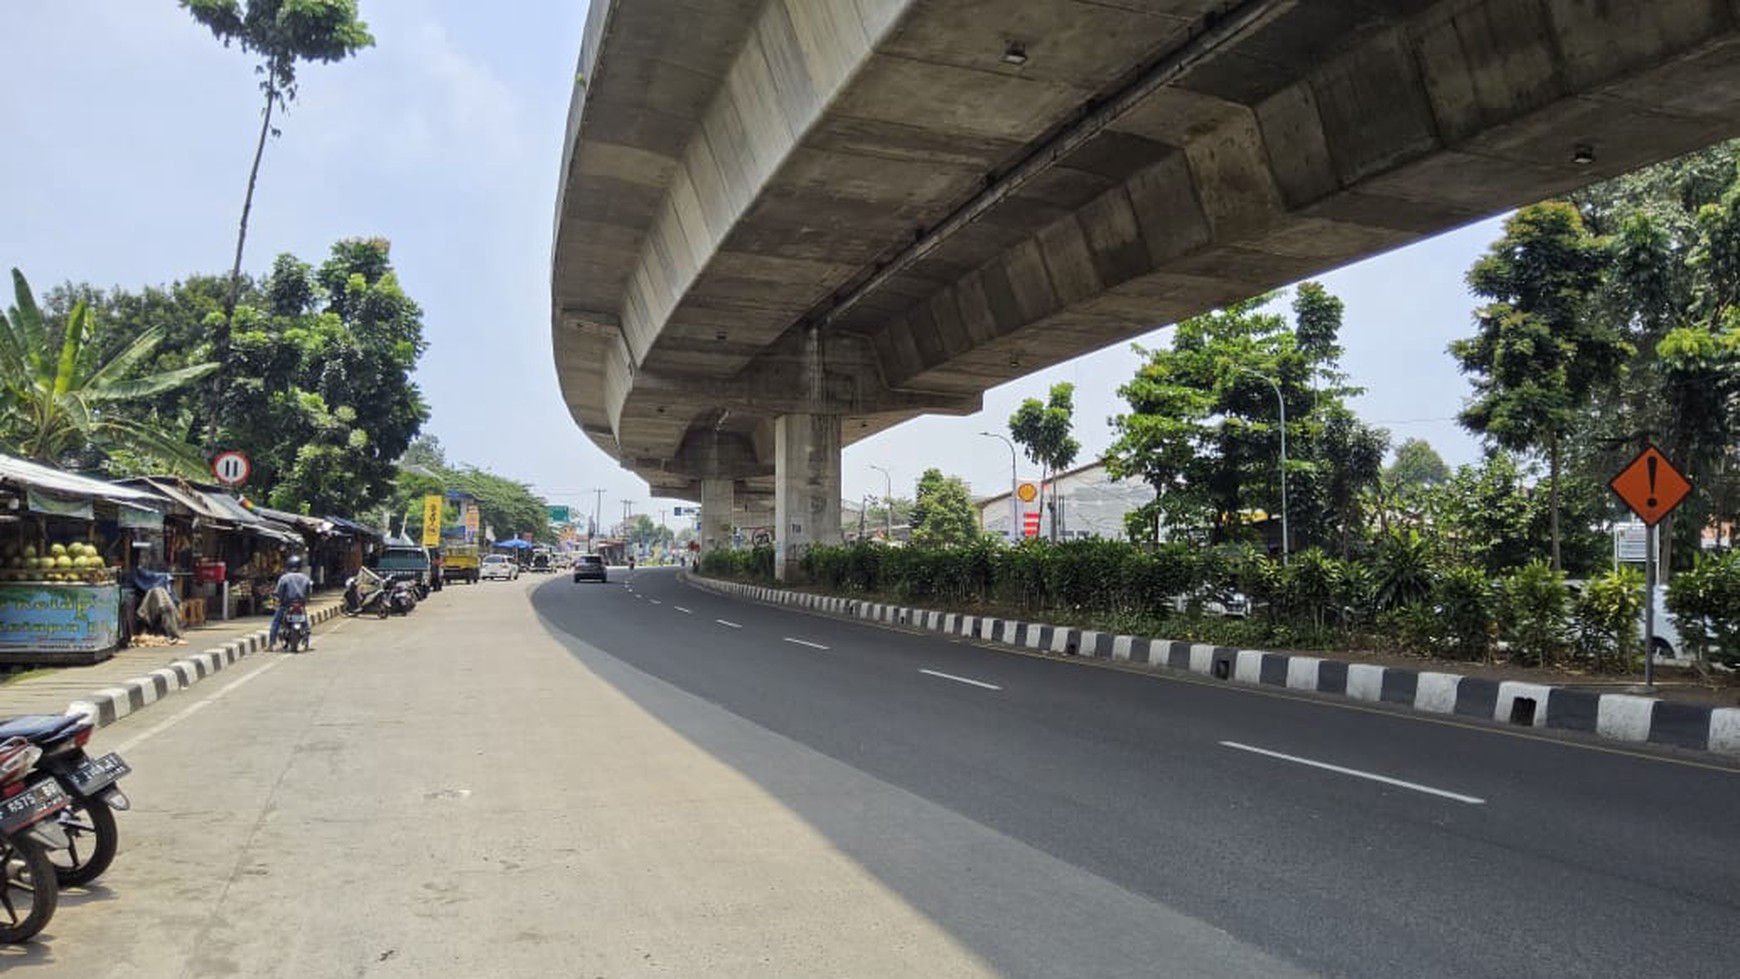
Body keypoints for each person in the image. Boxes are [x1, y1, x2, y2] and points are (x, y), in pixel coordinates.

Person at [270, 555, 314, 650]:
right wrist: (305, 600)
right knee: (304, 620)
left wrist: (278, 597)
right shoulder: (305, 578)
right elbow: (308, 591)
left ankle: (271, 643)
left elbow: (279, 591)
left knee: (276, 621)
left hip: (286, 604)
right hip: (300, 603)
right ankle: (307, 636)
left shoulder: (284, 578)